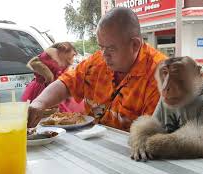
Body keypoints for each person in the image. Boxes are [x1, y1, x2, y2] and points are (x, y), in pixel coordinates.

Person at [27, 7, 167, 131]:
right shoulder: (96, 61)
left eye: (111, 48)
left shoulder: (160, 76)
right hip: (90, 143)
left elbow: (153, 136)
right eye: (101, 47)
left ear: (135, 45)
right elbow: (66, 83)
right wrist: (40, 103)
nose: (104, 54)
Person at [129, 57, 203, 161]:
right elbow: (152, 125)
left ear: (197, 75)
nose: (165, 87)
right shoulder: (166, 96)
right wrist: (140, 138)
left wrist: (161, 143)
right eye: (164, 73)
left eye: (176, 74)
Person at [21, 42, 84, 113]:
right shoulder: (48, 56)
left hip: (57, 88)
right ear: (64, 49)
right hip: (42, 88)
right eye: (73, 55)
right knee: (41, 113)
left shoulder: (64, 61)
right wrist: (48, 76)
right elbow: (35, 64)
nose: (73, 58)